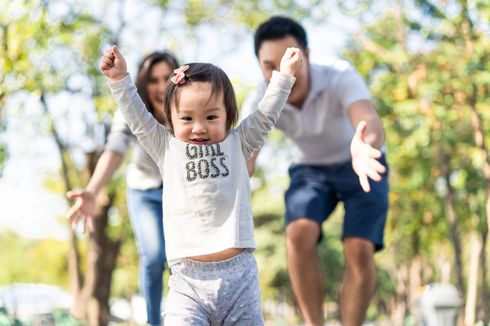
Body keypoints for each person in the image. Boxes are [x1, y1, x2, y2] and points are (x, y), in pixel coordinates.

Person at [73, 45, 301, 325]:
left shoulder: (239, 143)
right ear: (171, 118)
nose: (199, 127)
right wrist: (119, 79)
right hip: (188, 282)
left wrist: (284, 78)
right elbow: (137, 119)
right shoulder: (165, 147)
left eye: (211, 117)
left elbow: (265, 114)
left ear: (229, 116)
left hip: (240, 278)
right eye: (187, 118)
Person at [242, 16, 389, 326]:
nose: (282, 73)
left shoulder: (338, 74)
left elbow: (368, 119)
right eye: (270, 66)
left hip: (360, 161)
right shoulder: (261, 97)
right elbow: (244, 157)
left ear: (306, 55)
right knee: (297, 232)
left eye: (290, 61)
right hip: (311, 169)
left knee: (358, 248)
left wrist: (365, 145)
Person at [66, 51, 179, 326]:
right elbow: (115, 148)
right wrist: (92, 190)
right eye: (153, 79)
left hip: (180, 192)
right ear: (143, 82)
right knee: (153, 256)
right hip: (144, 191)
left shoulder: (187, 106)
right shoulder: (132, 106)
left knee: (181, 258)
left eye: (167, 78)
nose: (160, 86)